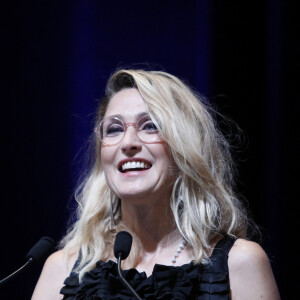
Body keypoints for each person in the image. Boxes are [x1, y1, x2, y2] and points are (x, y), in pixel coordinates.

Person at [31, 69, 280, 300]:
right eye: (114, 129)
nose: (128, 143)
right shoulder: (61, 269)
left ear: (186, 147)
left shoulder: (240, 263)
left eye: (150, 126)